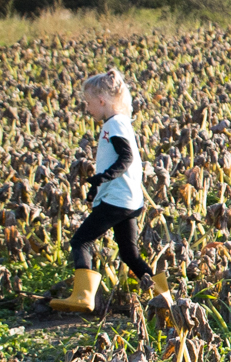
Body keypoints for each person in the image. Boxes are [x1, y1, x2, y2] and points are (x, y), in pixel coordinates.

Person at [50, 69, 162, 313]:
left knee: (82, 240)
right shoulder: (120, 123)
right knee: (129, 254)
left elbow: (126, 157)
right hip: (128, 200)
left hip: (118, 200)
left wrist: (104, 176)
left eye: (88, 103)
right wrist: (98, 186)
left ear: (101, 101)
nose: (88, 109)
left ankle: (83, 296)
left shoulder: (114, 124)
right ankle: (165, 297)